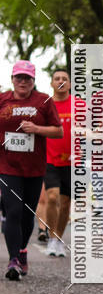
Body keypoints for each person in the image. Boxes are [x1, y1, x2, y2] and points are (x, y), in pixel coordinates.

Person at [0, 60, 63, 279]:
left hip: (35, 167)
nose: (23, 82)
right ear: (12, 79)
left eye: (27, 78)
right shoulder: (3, 100)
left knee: (27, 215)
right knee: (13, 211)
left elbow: (58, 131)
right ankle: (13, 260)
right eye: (19, 78)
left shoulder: (43, 101)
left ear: (33, 81)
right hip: (7, 166)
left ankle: (22, 250)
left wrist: (36, 128)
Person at [44, 68, 72, 257]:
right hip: (49, 159)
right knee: (52, 197)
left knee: (65, 202)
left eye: (64, 78)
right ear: (52, 83)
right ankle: (52, 238)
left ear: (70, 83)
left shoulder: (79, 105)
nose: (61, 81)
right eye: (57, 78)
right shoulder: (45, 105)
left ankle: (59, 238)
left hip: (73, 162)